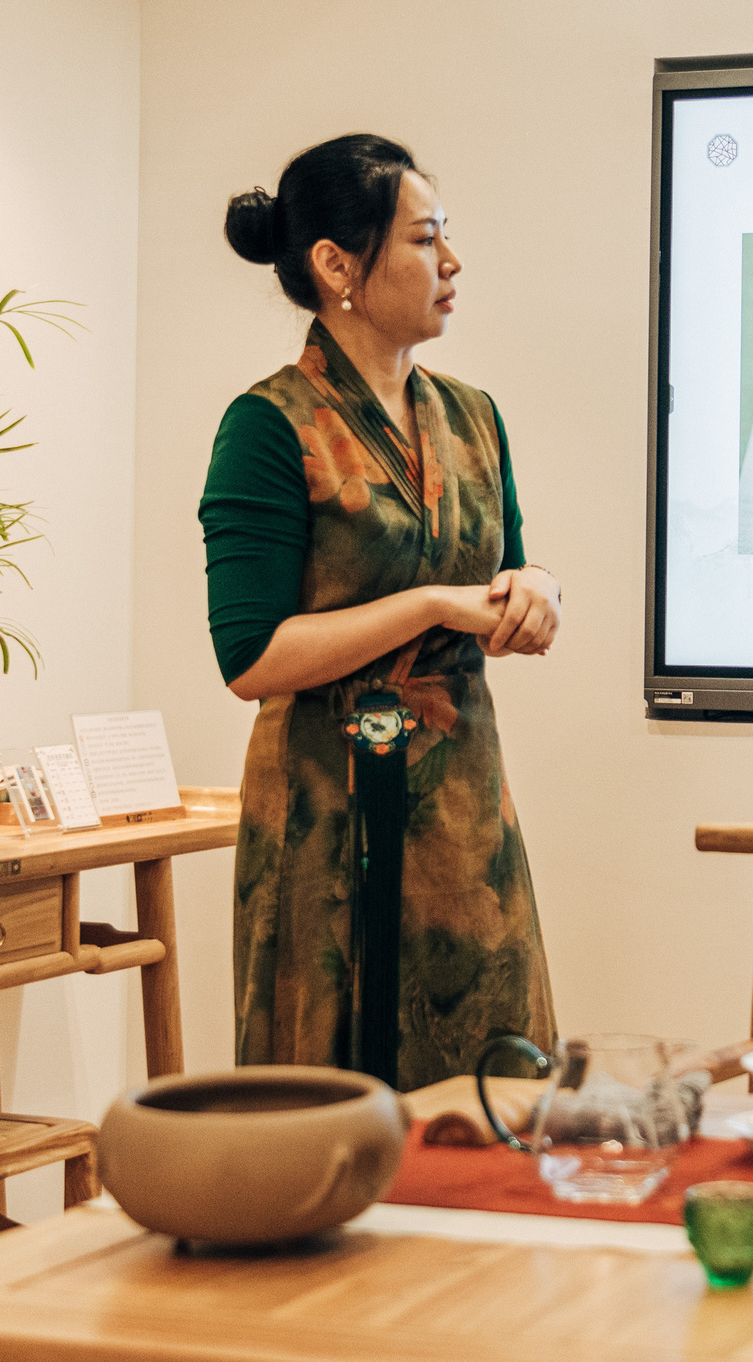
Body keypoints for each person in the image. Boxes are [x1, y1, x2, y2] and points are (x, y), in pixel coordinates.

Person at [201, 132, 559, 1091]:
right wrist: (432, 603)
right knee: (326, 1115)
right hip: (326, 814)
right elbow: (253, 656)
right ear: (336, 266)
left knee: (493, 1102)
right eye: (422, 239)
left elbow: (506, 569)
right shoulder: (269, 425)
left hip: (463, 817)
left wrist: (536, 591)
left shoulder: (473, 415)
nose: (451, 263)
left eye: (445, 237)